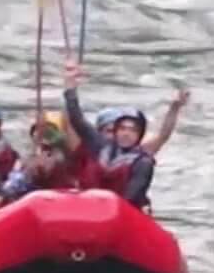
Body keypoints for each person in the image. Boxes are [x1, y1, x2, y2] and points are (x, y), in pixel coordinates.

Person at [62, 61, 156, 208]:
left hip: (121, 213)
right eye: (123, 128)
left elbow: (131, 197)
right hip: (89, 207)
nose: (126, 134)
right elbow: (77, 120)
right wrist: (70, 88)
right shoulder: (100, 146)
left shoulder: (143, 163)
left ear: (139, 135)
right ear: (116, 131)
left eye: (132, 130)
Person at [0, 122, 77, 215]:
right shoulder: (26, 164)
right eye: (35, 143)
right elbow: (15, 183)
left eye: (46, 148)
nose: (39, 151)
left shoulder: (67, 168)